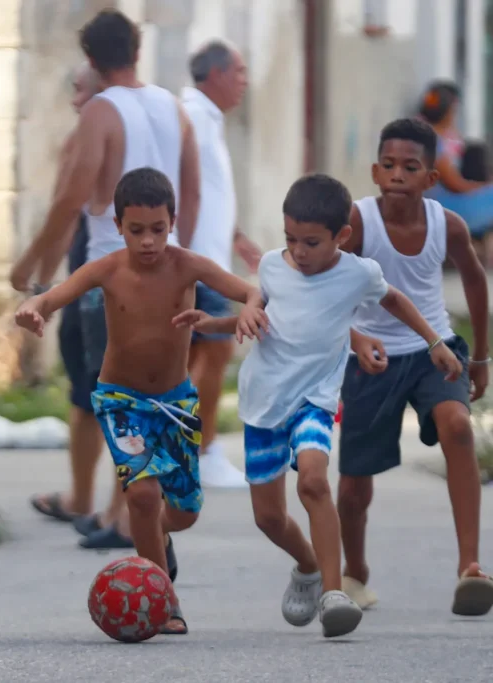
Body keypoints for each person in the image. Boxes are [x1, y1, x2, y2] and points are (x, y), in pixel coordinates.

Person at [176, 173, 464, 638]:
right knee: (269, 518)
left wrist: (434, 342)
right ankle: (308, 566)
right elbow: (265, 317)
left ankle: (334, 593)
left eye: (311, 242)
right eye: (291, 238)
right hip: (264, 401)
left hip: (314, 399)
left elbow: (395, 300)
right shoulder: (273, 267)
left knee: (313, 480)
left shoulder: (358, 274)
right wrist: (218, 322)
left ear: (341, 236)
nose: (299, 251)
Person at [16, 167, 269, 635]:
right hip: (121, 401)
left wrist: (252, 308)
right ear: (118, 226)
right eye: (136, 230)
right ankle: (164, 602)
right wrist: (34, 307)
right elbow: (56, 296)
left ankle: (160, 536)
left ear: (172, 222)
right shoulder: (108, 269)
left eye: (158, 228)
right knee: (143, 495)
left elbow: (250, 290)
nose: (148, 241)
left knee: (185, 513)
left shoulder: (188, 265)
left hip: (175, 404)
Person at [11, 8, 201, 557]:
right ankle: (124, 512)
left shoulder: (101, 110)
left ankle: (126, 519)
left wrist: (34, 268)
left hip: (110, 271)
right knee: (151, 393)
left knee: (117, 397)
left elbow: (72, 196)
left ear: (92, 59)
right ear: (137, 51)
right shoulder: (173, 107)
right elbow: (191, 191)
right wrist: (180, 258)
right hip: (168, 271)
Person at [336, 118, 493, 616]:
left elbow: (476, 282)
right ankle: (355, 571)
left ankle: (470, 566)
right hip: (371, 359)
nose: (397, 174)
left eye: (410, 166)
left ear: (431, 178)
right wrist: (351, 339)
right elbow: (323, 286)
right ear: (374, 172)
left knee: (458, 427)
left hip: (435, 350)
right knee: (354, 484)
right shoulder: (357, 222)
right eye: (388, 165)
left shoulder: (448, 224)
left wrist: (481, 357)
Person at [27, 63, 111, 530]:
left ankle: (102, 504)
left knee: (94, 391)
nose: (76, 101)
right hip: (101, 276)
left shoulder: (85, 140)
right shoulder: (154, 121)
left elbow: (64, 212)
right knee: (96, 391)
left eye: (81, 91)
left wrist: (40, 286)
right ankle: (91, 499)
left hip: (92, 279)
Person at [181, 39, 262, 488]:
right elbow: (183, 187)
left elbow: (207, 191)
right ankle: (204, 450)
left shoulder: (207, 118)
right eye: (239, 72)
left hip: (208, 254)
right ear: (215, 74)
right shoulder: (193, 116)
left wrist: (237, 238)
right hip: (198, 259)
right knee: (216, 350)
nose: (245, 81)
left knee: (198, 356)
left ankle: (186, 449)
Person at [417, 80, 493, 263]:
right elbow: (456, 184)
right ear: (448, 111)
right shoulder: (433, 141)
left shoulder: (427, 134)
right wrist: (484, 187)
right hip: (443, 206)